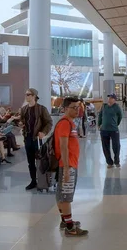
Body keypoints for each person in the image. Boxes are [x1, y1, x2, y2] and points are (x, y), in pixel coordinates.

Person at [55, 96, 89, 236]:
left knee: (62, 194)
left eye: (78, 107)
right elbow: (63, 146)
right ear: (65, 108)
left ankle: (65, 220)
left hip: (70, 164)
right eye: (74, 108)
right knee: (66, 197)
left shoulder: (70, 123)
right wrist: (67, 169)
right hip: (67, 165)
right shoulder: (64, 123)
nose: (77, 110)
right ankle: (70, 227)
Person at [20, 88, 53, 190]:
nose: (26, 96)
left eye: (28, 94)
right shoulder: (24, 109)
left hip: (37, 138)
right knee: (30, 162)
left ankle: (42, 180)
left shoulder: (41, 109)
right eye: (26, 94)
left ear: (34, 96)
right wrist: (21, 124)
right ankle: (33, 180)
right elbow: (22, 121)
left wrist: (43, 132)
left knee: (40, 160)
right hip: (27, 138)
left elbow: (49, 122)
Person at [98, 94, 123, 168]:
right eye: (109, 97)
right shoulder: (104, 106)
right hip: (104, 130)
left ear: (114, 100)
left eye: (111, 98)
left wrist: (115, 124)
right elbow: (100, 115)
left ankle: (117, 161)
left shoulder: (117, 107)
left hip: (114, 130)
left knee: (116, 146)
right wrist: (99, 124)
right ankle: (109, 162)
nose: (109, 99)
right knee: (105, 146)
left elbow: (120, 117)